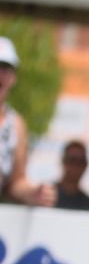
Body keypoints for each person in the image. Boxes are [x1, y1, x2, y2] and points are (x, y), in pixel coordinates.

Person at [0, 35, 56, 207]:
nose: (0, 73)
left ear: (13, 77)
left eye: (5, 67)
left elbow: (16, 182)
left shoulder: (16, 125)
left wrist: (34, 193)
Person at [53, 140, 89, 213]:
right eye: (72, 160)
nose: (76, 166)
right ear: (63, 161)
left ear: (86, 165)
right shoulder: (45, 198)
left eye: (81, 162)